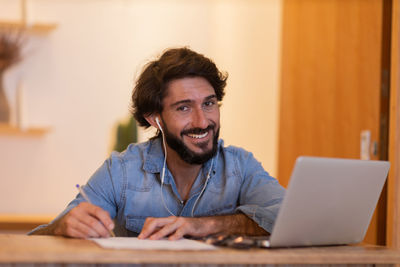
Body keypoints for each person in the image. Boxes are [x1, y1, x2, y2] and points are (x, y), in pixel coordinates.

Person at [30, 47, 285, 240]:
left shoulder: (241, 167)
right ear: (155, 119)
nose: (202, 121)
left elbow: (289, 217)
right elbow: (38, 241)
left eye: (208, 103)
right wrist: (62, 228)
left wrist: (205, 225)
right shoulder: (121, 171)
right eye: (184, 107)